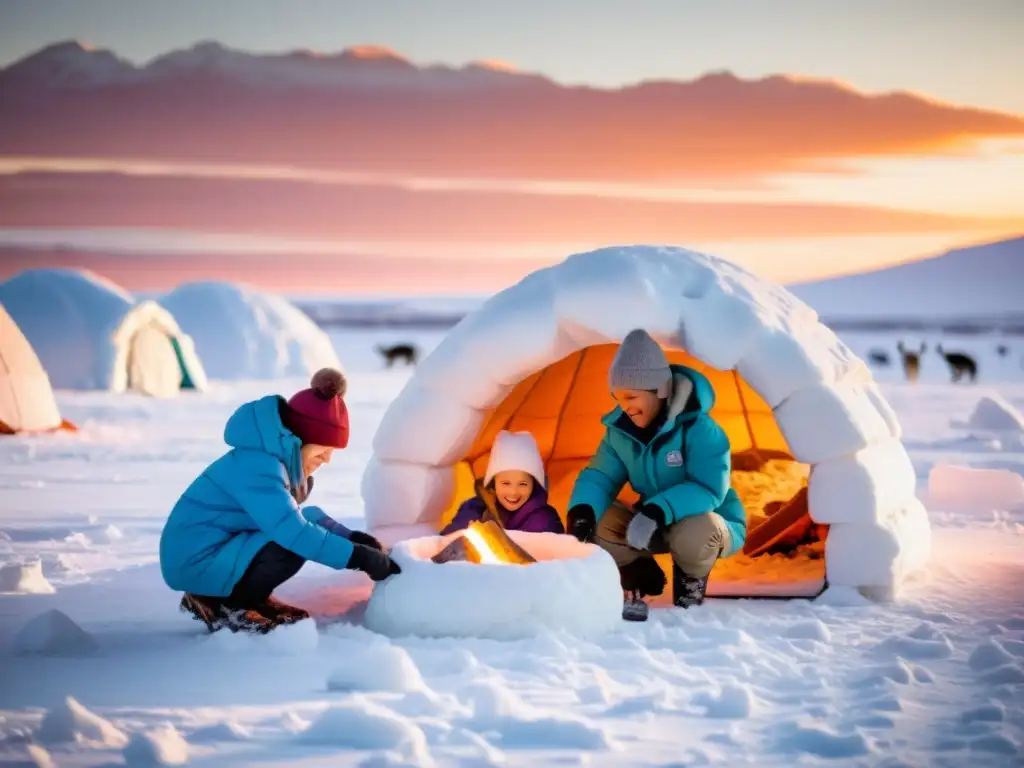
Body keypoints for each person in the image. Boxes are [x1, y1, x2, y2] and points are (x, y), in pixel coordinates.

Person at [160, 368, 401, 634]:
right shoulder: (259, 468)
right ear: (298, 443)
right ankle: (229, 605)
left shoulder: (270, 462)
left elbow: (305, 516)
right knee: (291, 545)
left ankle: (250, 599)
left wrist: (353, 538)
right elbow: (294, 532)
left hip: (216, 551)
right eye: (322, 450)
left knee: (295, 536)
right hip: (197, 562)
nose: (327, 460)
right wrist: (358, 557)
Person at [565, 329, 746, 615]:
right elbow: (600, 476)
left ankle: (690, 583)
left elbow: (709, 488)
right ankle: (640, 569)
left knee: (700, 531)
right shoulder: (619, 433)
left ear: (659, 390)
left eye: (631, 397)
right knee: (600, 519)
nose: (624, 407)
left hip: (703, 519)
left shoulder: (701, 430)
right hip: (650, 520)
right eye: (618, 399)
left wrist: (656, 511)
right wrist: (581, 512)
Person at [441, 430, 565, 536]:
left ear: (534, 484)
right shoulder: (473, 510)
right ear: (493, 482)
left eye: (523, 484)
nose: (513, 492)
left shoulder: (545, 520)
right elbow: (445, 547)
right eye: (506, 483)